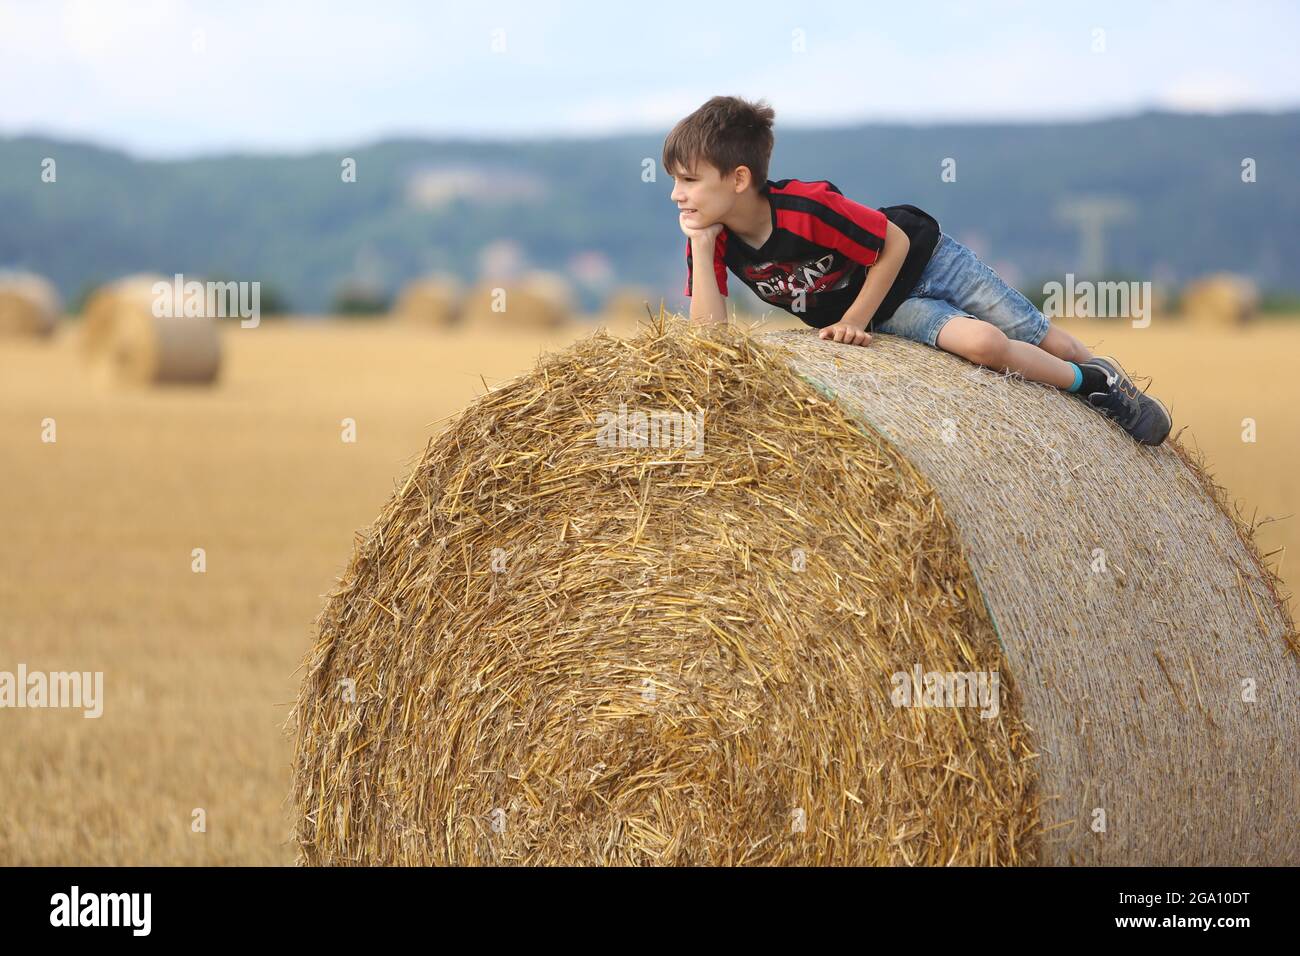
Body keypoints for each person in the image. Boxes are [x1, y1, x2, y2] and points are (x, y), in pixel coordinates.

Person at [665, 95, 1172, 445]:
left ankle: (1114, 386)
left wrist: (856, 320)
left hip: (924, 260)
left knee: (1044, 339)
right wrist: (704, 247)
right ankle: (1089, 385)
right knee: (985, 347)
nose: (676, 194)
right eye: (674, 181)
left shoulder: (804, 207)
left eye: (688, 180)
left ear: (738, 178)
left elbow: (895, 242)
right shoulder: (713, 238)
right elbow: (711, 337)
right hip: (888, 308)